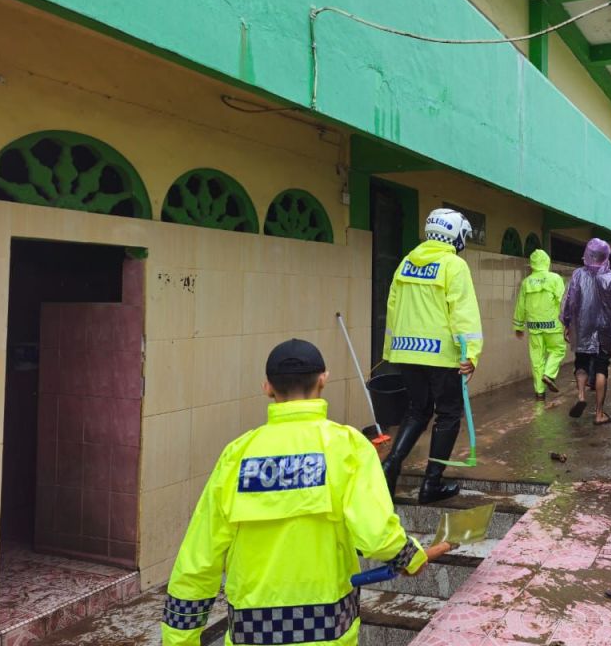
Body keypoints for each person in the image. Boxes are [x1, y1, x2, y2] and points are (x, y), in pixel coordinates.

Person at [162, 339, 427, 646]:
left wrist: (180, 638)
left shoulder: (237, 455)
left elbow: (199, 558)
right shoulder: (348, 447)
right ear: (323, 379)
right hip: (328, 633)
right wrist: (410, 558)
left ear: (267, 388)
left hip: (252, 634)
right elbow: (377, 534)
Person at [381, 208, 483, 504]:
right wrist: (471, 353)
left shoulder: (406, 262)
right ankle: (431, 484)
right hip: (441, 354)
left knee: (417, 410)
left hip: (407, 351)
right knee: (448, 414)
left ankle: (390, 466)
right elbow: (463, 312)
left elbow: (392, 307)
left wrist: (391, 350)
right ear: (455, 235)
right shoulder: (454, 265)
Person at [559, 238, 611, 425]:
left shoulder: (578, 275)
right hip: (605, 328)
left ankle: (581, 396)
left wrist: (567, 322)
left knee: (581, 362)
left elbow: (569, 301)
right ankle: (599, 413)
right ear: (606, 256)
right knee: (601, 367)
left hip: (582, 326)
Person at [512, 248, 566, 400]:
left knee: (537, 359)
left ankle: (539, 392)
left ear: (532, 264)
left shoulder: (526, 282)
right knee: (558, 350)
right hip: (552, 325)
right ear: (547, 262)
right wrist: (568, 321)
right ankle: (549, 374)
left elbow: (520, 305)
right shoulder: (555, 278)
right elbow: (563, 301)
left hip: (534, 327)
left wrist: (518, 326)